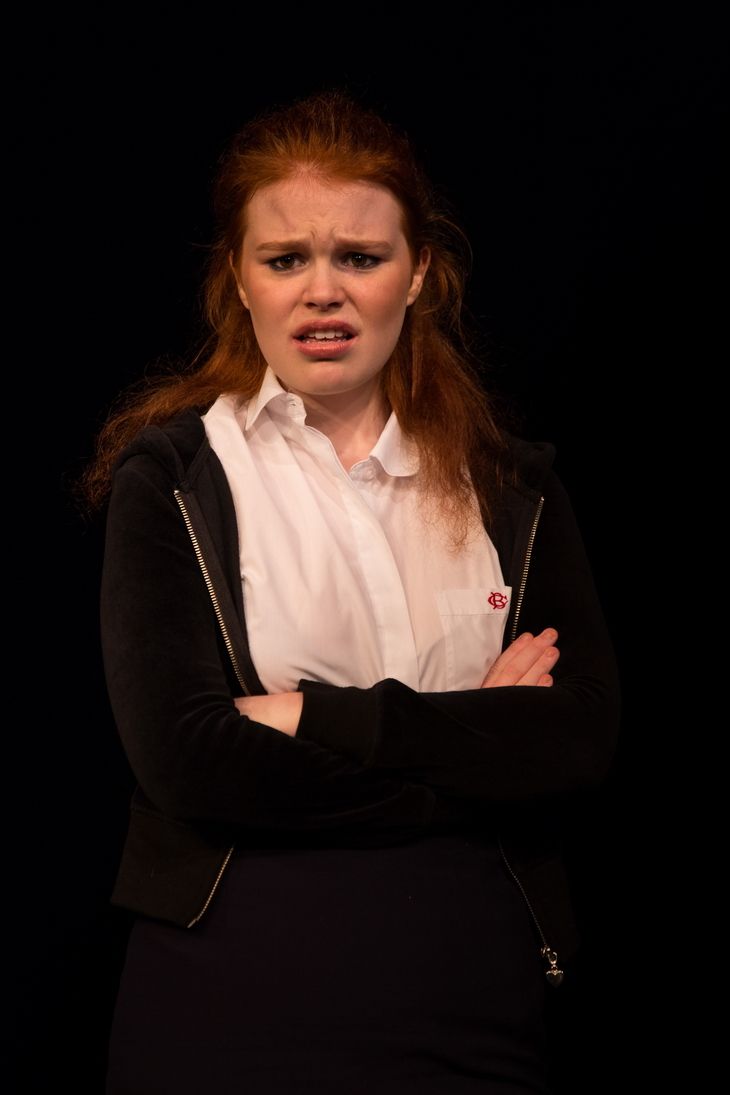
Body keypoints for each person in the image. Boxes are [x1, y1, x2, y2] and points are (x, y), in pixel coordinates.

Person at [81, 88, 621, 1094]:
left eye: (359, 259)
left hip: (473, 992)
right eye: (285, 260)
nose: (321, 291)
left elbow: (578, 739)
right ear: (237, 282)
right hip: (226, 997)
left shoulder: (512, 487)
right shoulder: (173, 478)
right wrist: (471, 742)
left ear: (418, 275)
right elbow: (189, 762)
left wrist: (310, 717)